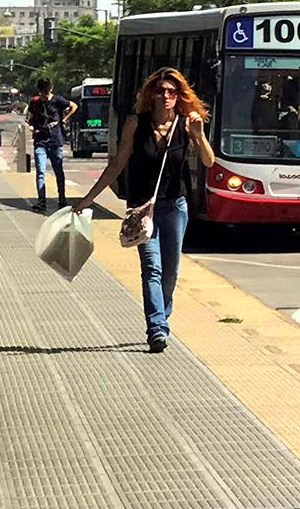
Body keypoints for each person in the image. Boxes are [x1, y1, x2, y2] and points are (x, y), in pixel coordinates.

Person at [73, 68, 217, 353]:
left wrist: (199, 136)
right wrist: (87, 199)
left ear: (179, 97)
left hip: (175, 206)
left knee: (170, 273)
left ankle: (162, 315)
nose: (165, 96)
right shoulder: (135, 124)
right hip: (141, 208)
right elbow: (116, 165)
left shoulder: (186, 124)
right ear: (151, 94)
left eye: (171, 92)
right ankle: (157, 328)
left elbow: (209, 162)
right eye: (160, 90)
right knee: (151, 267)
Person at [26, 78, 75, 213]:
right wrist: (31, 127)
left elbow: (74, 106)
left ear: (51, 89)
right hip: (40, 140)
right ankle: (41, 201)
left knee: (58, 170)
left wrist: (64, 119)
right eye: (43, 92)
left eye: (47, 92)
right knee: (41, 171)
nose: (45, 95)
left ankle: (62, 199)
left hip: (55, 141)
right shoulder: (35, 102)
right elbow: (29, 118)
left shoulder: (58, 100)